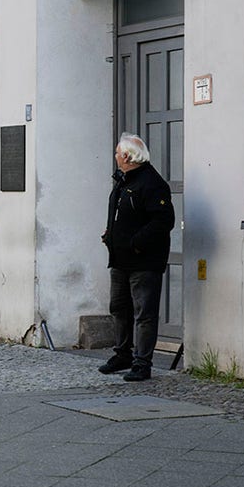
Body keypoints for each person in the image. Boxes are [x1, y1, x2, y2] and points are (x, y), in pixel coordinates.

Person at [99, 133, 175, 382]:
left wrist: (134, 243)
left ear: (128, 157)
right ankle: (123, 354)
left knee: (144, 313)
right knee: (119, 308)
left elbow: (163, 221)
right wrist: (111, 234)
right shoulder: (123, 180)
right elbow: (122, 215)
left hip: (144, 261)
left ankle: (143, 363)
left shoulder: (152, 183)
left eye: (117, 153)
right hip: (120, 259)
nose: (115, 157)